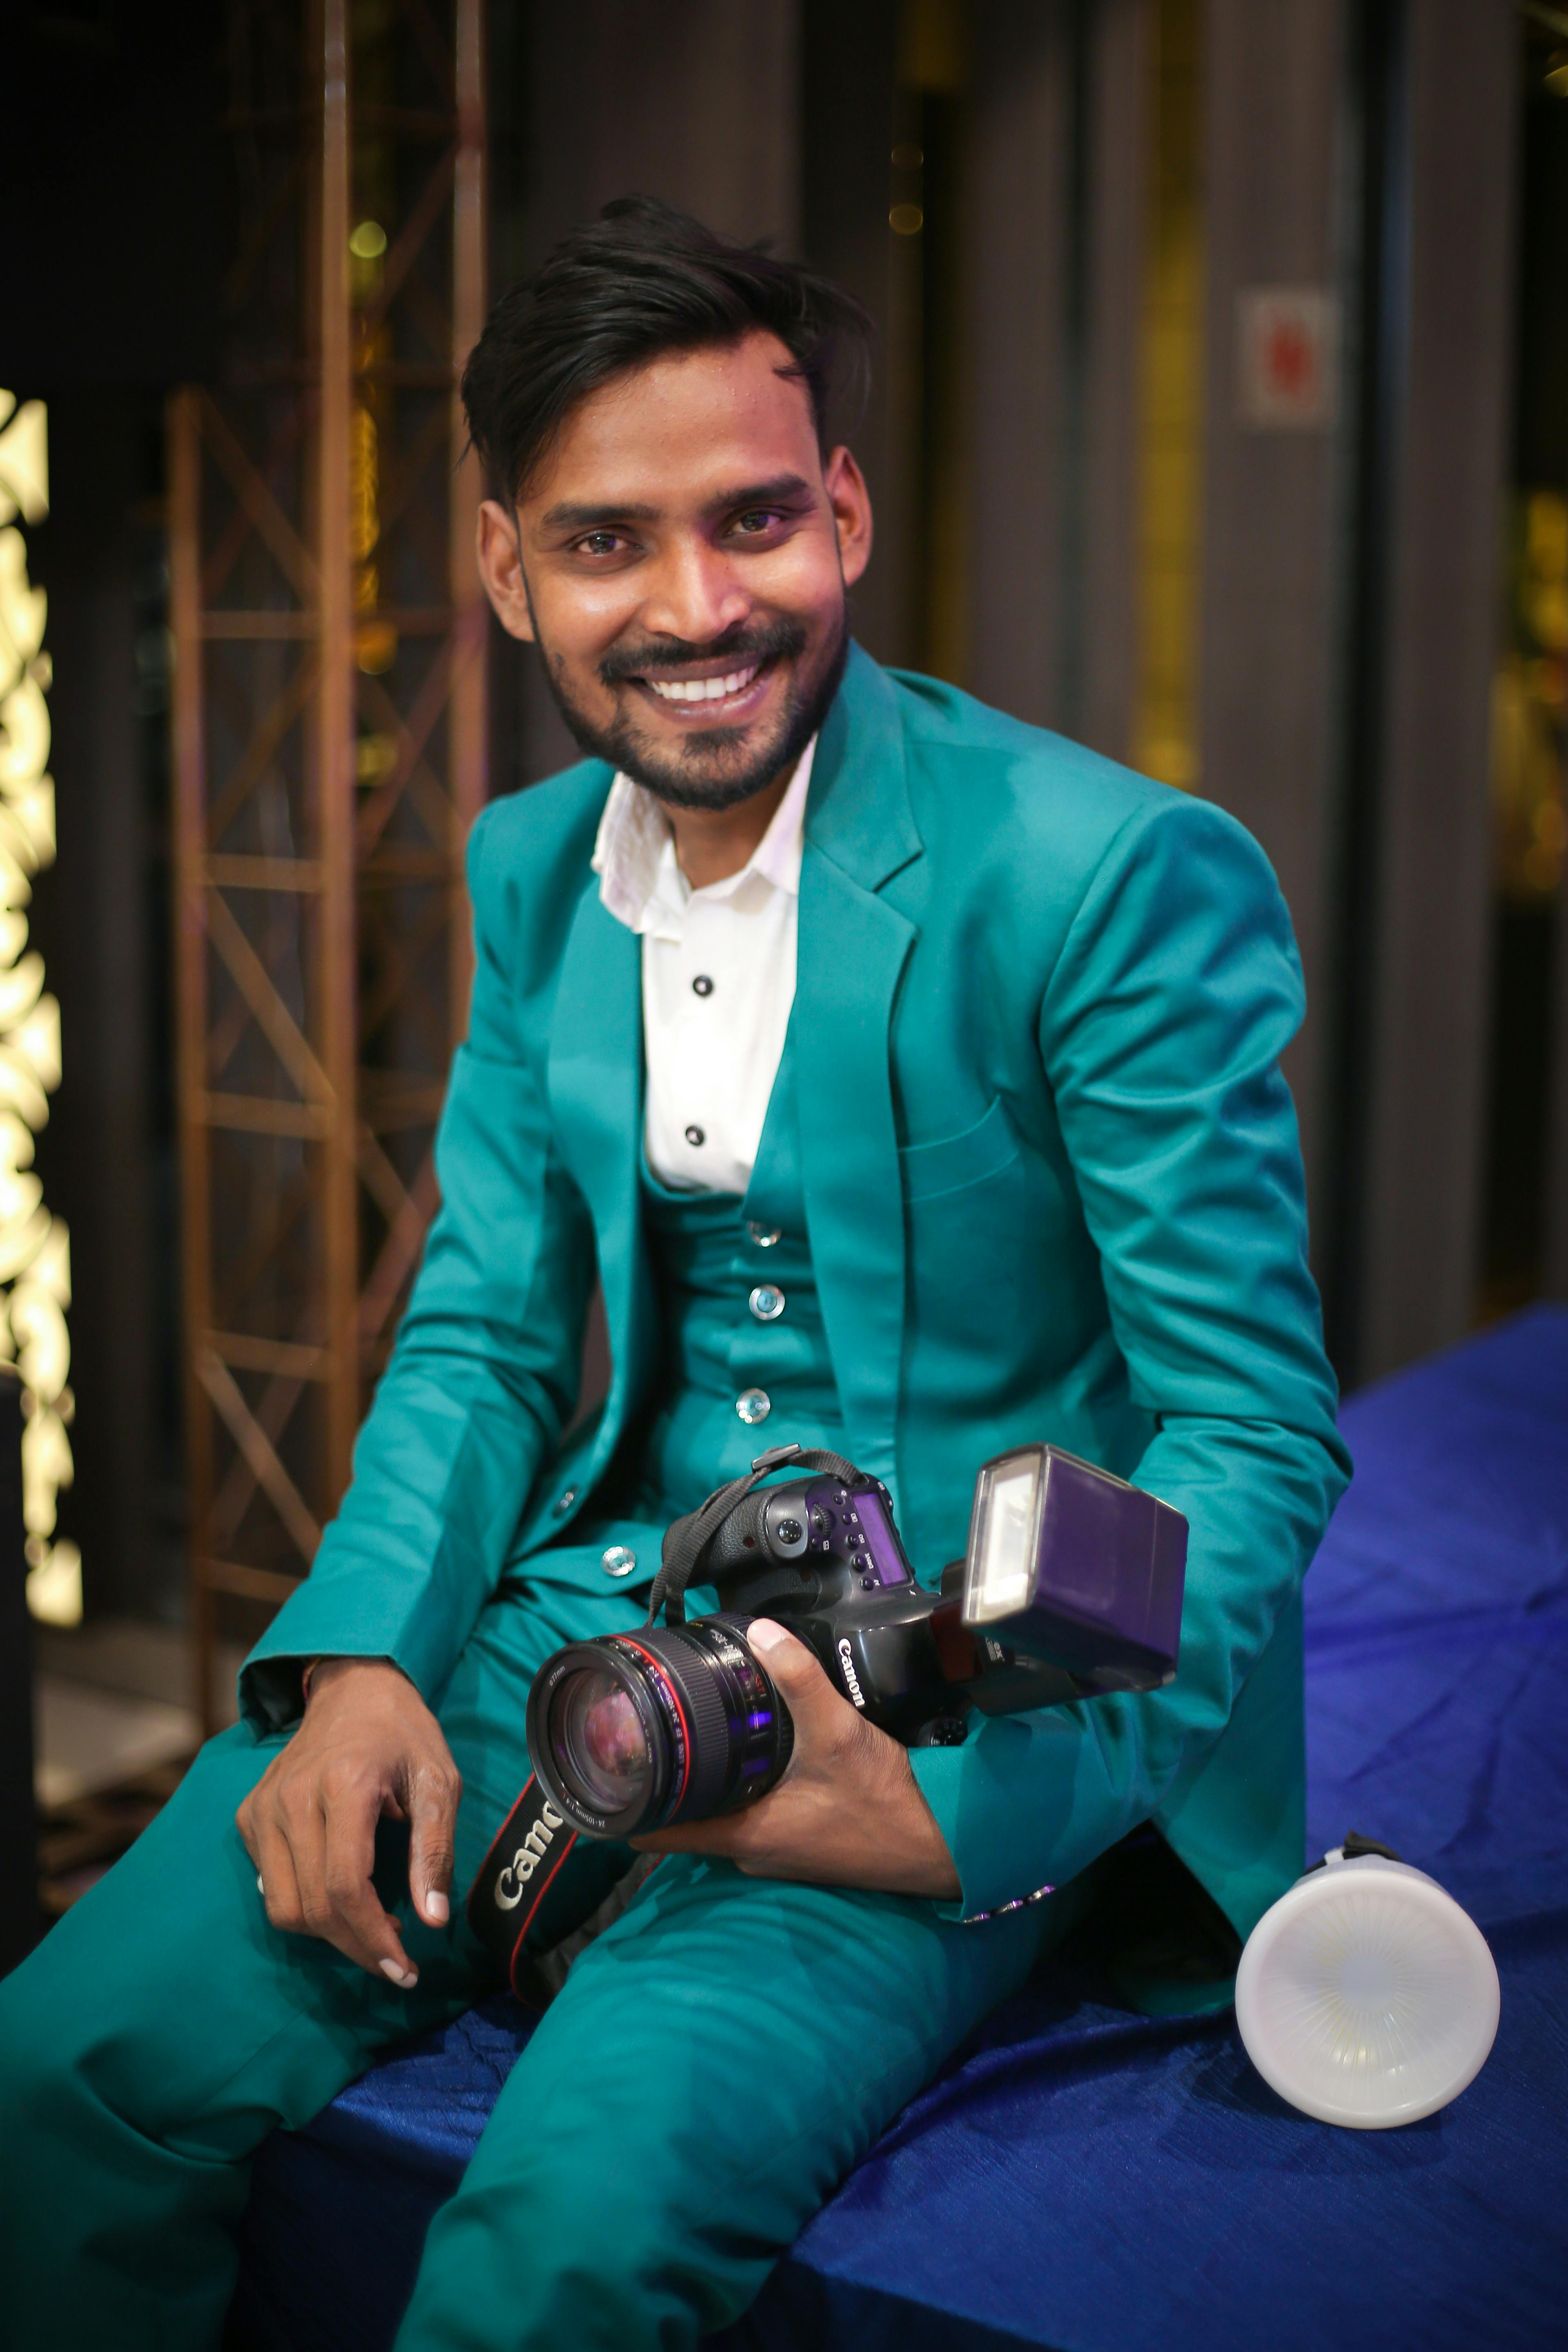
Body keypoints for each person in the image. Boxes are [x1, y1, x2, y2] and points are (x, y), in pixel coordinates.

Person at [0, 197, 1349, 2350]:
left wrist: (970, 1806)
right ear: (506, 565)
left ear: (848, 512)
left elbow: (1253, 1428)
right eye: (612, 542)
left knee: (557, 2265)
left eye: (754, 522)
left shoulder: (1104, 873)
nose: (700, 606)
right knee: (52, 2089)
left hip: (944, 1693)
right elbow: (485, 1324)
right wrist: (357, 1661)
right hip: (581, 1610)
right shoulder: (530, 870)